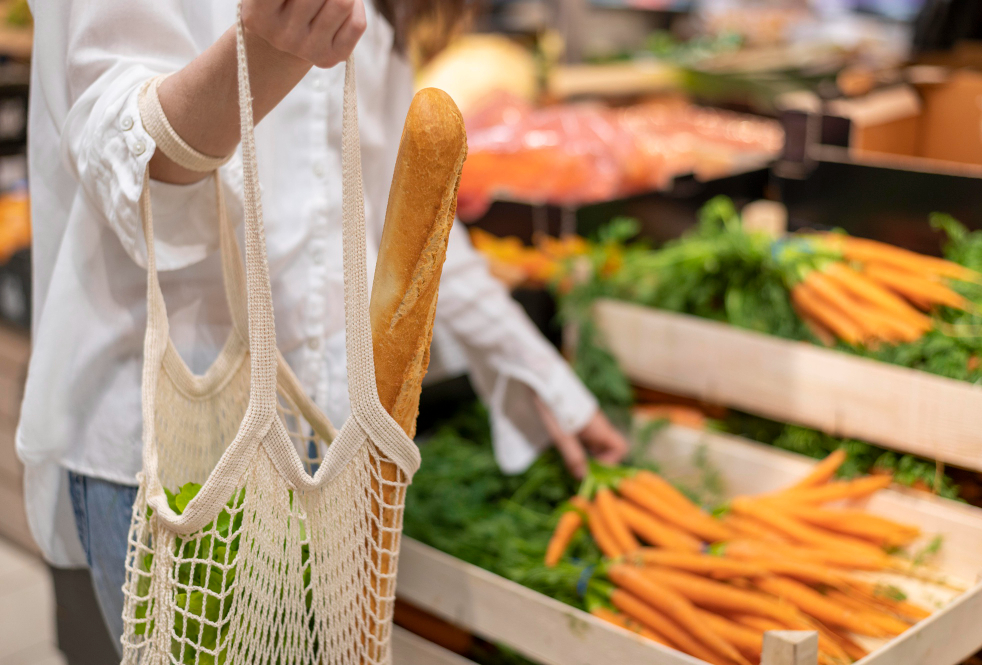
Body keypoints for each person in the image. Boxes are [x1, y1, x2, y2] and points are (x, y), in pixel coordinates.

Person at [18, 0, 628, 649]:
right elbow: (125, 153)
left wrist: (546, 379)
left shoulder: (386, 21)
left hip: (331, 448)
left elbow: (402, 227)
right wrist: (272, 52)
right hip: (177, 453)